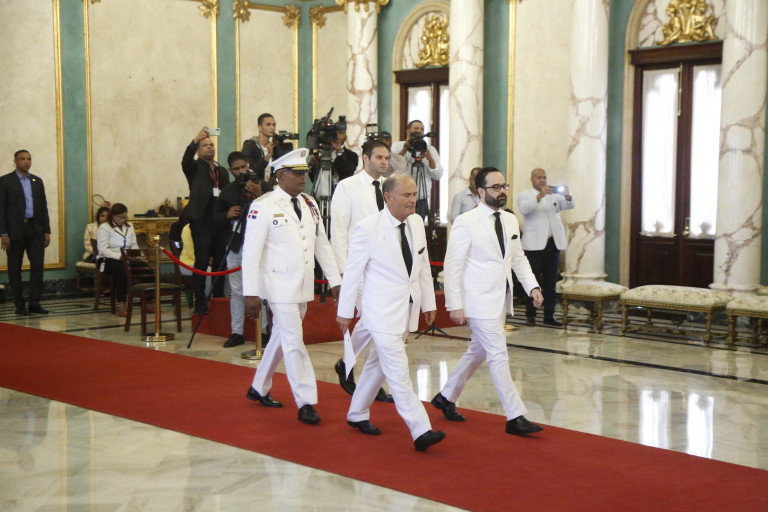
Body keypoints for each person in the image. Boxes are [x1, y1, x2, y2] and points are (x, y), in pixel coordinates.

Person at [433, 167, 545, 437]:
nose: (502, 191)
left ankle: (445, 397)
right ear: (480, 191)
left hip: (500, 298)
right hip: (477, 300)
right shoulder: (466, 221)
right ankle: (515, 416)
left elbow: (518, 258)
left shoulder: (509, 220)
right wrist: (454, 304)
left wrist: (532, 286)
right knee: (498, 353)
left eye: (504, 186)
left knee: (479, 351)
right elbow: (453, 265)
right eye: (495, 187)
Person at [336, 174, 445, 452]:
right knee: (398, 371)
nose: (412, 200)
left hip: (405, 311)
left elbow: (422, 265)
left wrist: (429, 304)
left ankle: (357, 413)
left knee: (377, 366)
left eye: (414, 194)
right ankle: (421, 430)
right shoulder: (368, 228)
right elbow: (352, 273)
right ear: (388, 197)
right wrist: (345, 311)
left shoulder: (416, 222)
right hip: (380, 313)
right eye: (406, 195)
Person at [242, 148, 341, 425]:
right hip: (278, 286)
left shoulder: (309, 203)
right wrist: (251, 292)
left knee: (281, 337)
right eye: (297, 173)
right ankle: (306, 401)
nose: (303, 178)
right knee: (294, 342)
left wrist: (335, 280)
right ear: (280, 176)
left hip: (302, 286)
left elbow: (322, 244)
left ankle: (258, 387)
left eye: (304, 173)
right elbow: (251, 252)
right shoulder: (263, 205)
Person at [329, 140, 393, 402]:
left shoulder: (390, 187)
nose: (384, 162)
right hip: (358, 268)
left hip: (385, 269)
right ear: (365, 158)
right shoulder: (348, 186)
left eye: (386, 158)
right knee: (374, 322)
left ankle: (351, 366)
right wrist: (342, 271)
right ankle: (365, 378)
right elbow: (338, 231)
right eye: (379, 157)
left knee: (373, 324)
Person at [214, 151, 272, 348]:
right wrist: (226, 214)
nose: (241, 171)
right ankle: (236, 332)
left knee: (260, 290)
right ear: (231, 171)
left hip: (261, 247)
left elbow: (277, 208)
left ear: (249, 165)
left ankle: (262, 331)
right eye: (236, 169)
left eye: (244, 167)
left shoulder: (263, 186)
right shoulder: (228, 191)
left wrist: (260, 194)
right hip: (236, 245)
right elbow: (215, 218)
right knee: (237, 291)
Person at [181, 127, 231, 315]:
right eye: (205, 145)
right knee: (201, 262)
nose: (210, 147)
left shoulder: (222, 171)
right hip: (201, 221)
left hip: (220, 221)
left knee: (220, 263)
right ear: (198, 150)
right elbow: (185, 159)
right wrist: (195, 139)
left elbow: (226, 192)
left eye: (211, 145)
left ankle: (218, 300)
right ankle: (200, 302)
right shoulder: (194, 167)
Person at [517, 167, 575, 326]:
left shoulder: (553, 195)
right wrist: (540, 196)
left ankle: (549, 315)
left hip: (552, 244)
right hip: (534, 246)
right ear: (532, 179)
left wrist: (567, 195)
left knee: (551, 282)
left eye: (544, 177)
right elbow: (525, 209)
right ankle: (530, 314)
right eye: (539, 177)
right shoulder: (524, 195)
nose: (542, 180)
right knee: (532, 281)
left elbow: (569, 205)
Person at [0, 150, 51, 315]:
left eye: (29, 159)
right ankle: (19, 304)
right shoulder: (5, 181)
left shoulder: (37, 181)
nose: (27, 162)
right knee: (14, 268)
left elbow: (43, 208)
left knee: (37, 266)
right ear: (15, 161)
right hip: (14, 231)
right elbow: (1, 209)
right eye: (23, 159)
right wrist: (3, 233)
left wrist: (46, 231)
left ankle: (34, 303)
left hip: (35, 230)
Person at [390, 120, 443, 218]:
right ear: (408, 131)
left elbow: (438, 175)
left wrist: (430, 158)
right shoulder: (397, 146)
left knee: (418, 227)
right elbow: (390, 169)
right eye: (416, 128)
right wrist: (404, 150)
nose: (419, 131)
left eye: (422, 129)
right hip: (399, 199)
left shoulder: (430, 150)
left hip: (421, 201)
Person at [96, 203, 139, 318]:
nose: (122, 220)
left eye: (124, 217)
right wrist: (119, 256)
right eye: (119, 217)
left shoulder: (130, 226)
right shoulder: (104, 227)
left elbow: (134, 244)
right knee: (122, 270)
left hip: (127, 258)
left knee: (146, 268)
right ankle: (122, 305)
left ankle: (148, 302)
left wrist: (133, 255)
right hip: (107, 260)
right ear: (113, 216)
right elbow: (102, 249)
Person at [309, 129, 358, 199]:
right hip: (319, 197)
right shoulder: (320, 153)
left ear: (346, 137)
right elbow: (314, 178)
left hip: (340, 196)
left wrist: (339, 151)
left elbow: (347, 172)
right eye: (335, 132)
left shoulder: (351, 155)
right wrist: (311, 165)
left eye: (340, 132)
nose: (337, 135)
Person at [241, 113, 277, 182]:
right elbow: (249, 171)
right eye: (268, 125)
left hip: (270, 186)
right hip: (254, 186)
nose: (272, 128)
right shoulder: (249, 146)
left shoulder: (274, 147)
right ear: (259, 127)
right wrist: (268, 156)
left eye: (274, 125)